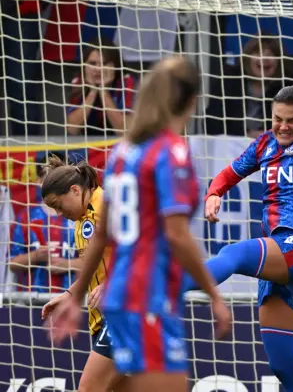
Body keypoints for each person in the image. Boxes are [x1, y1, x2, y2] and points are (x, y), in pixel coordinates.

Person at [46, 56, 232, 392]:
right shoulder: (171, 152)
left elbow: (103, 234)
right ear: (191, 101)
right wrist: (214, 294)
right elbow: (176, 233)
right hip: (148, 296)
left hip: (121, 298)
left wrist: (76, 294)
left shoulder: (123, 152)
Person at [185, 85, 293, 391]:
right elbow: (229, 173)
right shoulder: (265, 143)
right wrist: (214, 193)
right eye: (277, 118)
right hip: (281, 260)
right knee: (283, 367)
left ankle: (158, 289)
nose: (282, 126)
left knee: (234, 254)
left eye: (291, 120)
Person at [39, 154, 126, 392]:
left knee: (88, 389)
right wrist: (69, 294)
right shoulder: (81, 222)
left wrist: (113, 284)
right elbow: (94, 270)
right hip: (101, 317)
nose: (58, 214)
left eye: (58, 205)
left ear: (75, 190)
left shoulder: (109, 206)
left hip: (124, 309)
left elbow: (143, 250)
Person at [10, 151, 77, 292]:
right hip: (31, 299)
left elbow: (96, 260)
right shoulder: (26, 217)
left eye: (59, 177)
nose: (54, 183)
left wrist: (67, 264)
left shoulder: (78, 214)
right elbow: (11, 263)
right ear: (39, 182)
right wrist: (35, 256)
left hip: (72, 298)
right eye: (48, 177)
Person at [205, 36, 293, 137]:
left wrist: (267, 135)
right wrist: (247, 135)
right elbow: (212, 124)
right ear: (247, 58)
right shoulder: (228, 82)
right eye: (258, 53)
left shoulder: (288, 89)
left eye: (271, 55)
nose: (264, 58)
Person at [66, 38, 136, 136]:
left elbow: (124, 131)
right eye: (92, 63)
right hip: (89, 144)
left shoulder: (126, 82)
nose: (98, 69)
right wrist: (93, 92)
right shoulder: (79, 81)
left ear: (115, 65)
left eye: (104, 63)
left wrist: (103, 91)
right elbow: (72, 129)